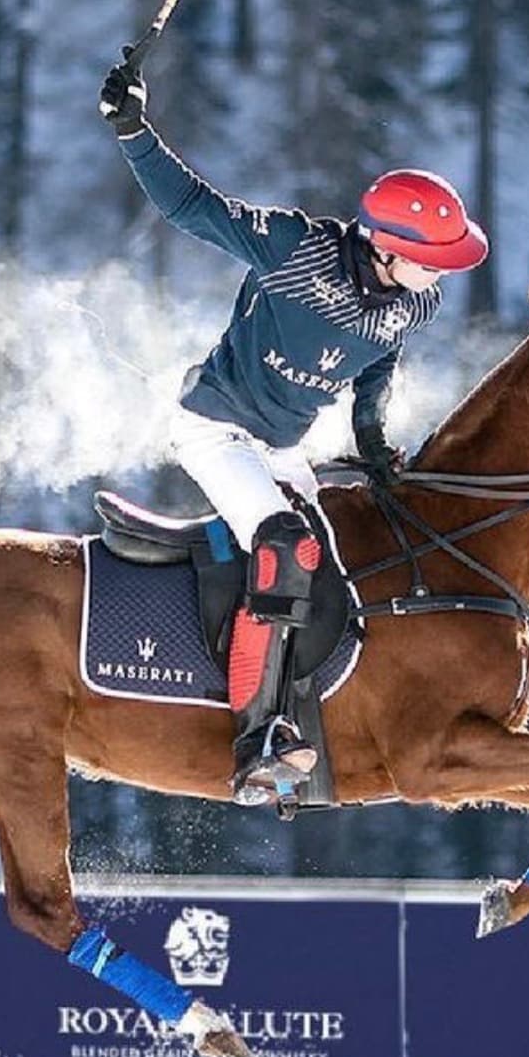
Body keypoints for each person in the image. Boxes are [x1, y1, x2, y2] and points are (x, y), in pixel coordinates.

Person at [100, 47, 488, 803]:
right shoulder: (296, 248)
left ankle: (309, 709)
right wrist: (132, 129)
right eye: (432, 259)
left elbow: (376, 365)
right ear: (386, 245)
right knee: (284, 545)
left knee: (341, 568)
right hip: (214, 429)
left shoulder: (414, 300)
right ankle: (258, 742)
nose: (443, 273)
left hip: (283, 445)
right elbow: (191, 207)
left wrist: (372, 444)